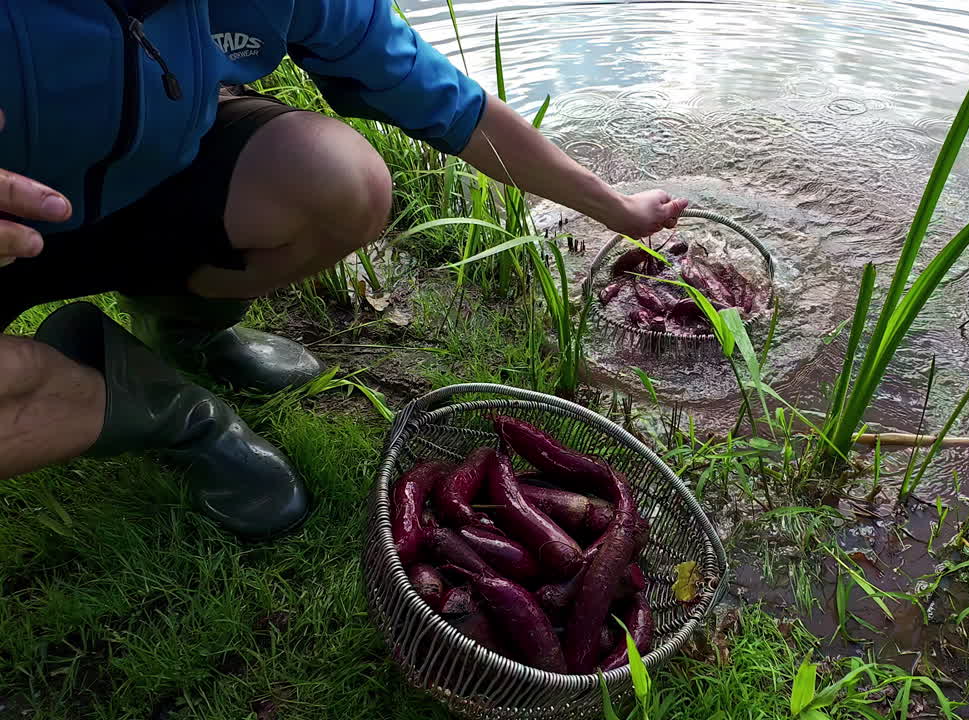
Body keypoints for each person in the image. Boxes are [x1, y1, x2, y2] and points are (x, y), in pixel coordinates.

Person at [0, 1, 688, 541]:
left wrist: (617, 209)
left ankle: (183, 340)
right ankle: (151, 406)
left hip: (160, 182)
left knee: (346, 183)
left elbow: (458, 109)